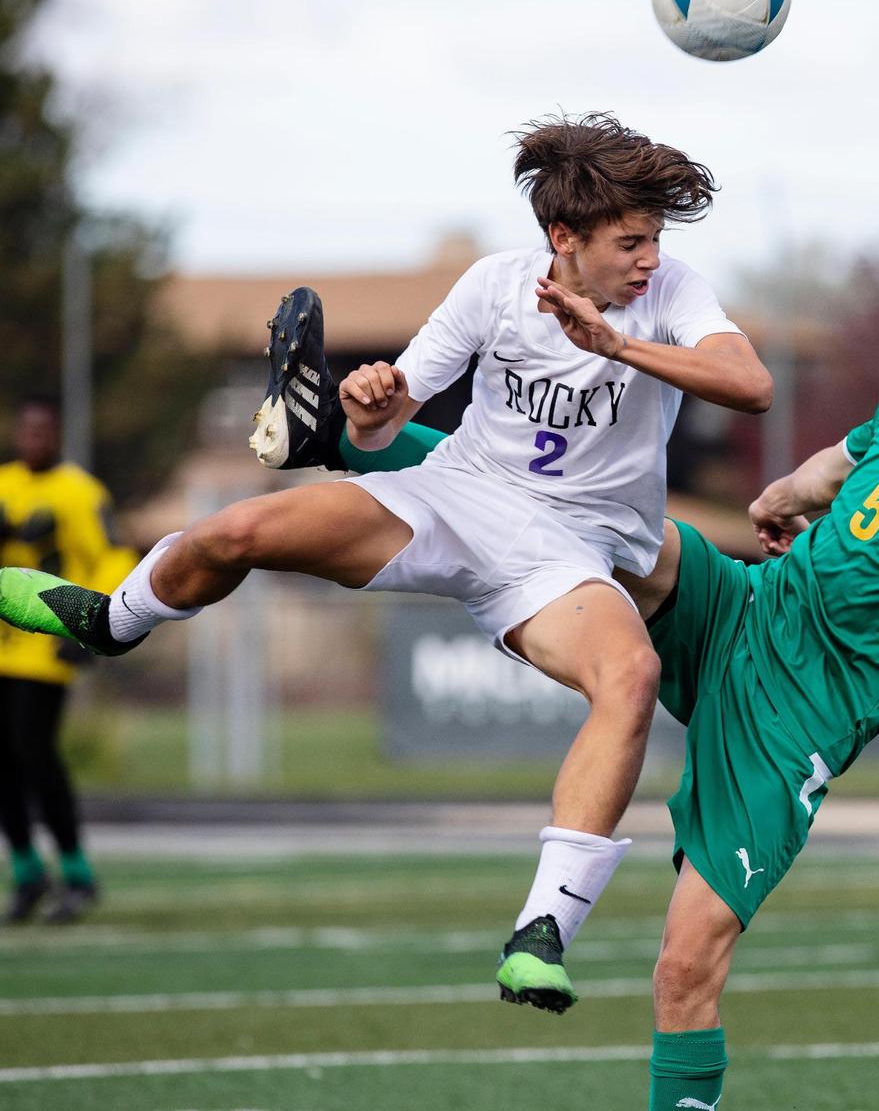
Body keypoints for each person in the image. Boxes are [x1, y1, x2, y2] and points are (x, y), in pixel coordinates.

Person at [245, 246, 879, 1106]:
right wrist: (782, 496)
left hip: (792, 724)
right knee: (589, 513)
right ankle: (335, 434)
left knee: (683, 970)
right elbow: (844, 461)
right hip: (746, 608)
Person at [0, 113, 772, 1007]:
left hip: (571, 549)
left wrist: (618, 343)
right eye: (630, 240)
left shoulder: (672, 293)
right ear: (563, 238)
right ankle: (110, 620)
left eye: (655, 240)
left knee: (630, 674)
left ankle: (542, 930)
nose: (648, 257)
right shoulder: (494, 286)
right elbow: (386, 422)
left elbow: (751, 386)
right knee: (238, 534)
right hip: (452, 496)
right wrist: (369, 399)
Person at [0, 396, 135, 923]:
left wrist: (86, 623)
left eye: (43, 432)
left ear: (57, 435)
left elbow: (114, 555)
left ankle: (76, 873)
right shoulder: (6, 482)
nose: (34, 440)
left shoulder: (79, 491)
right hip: (5, 643)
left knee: (33, 752)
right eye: (25, 431)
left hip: (46, 643)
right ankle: (28, 871)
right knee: (3, 762)